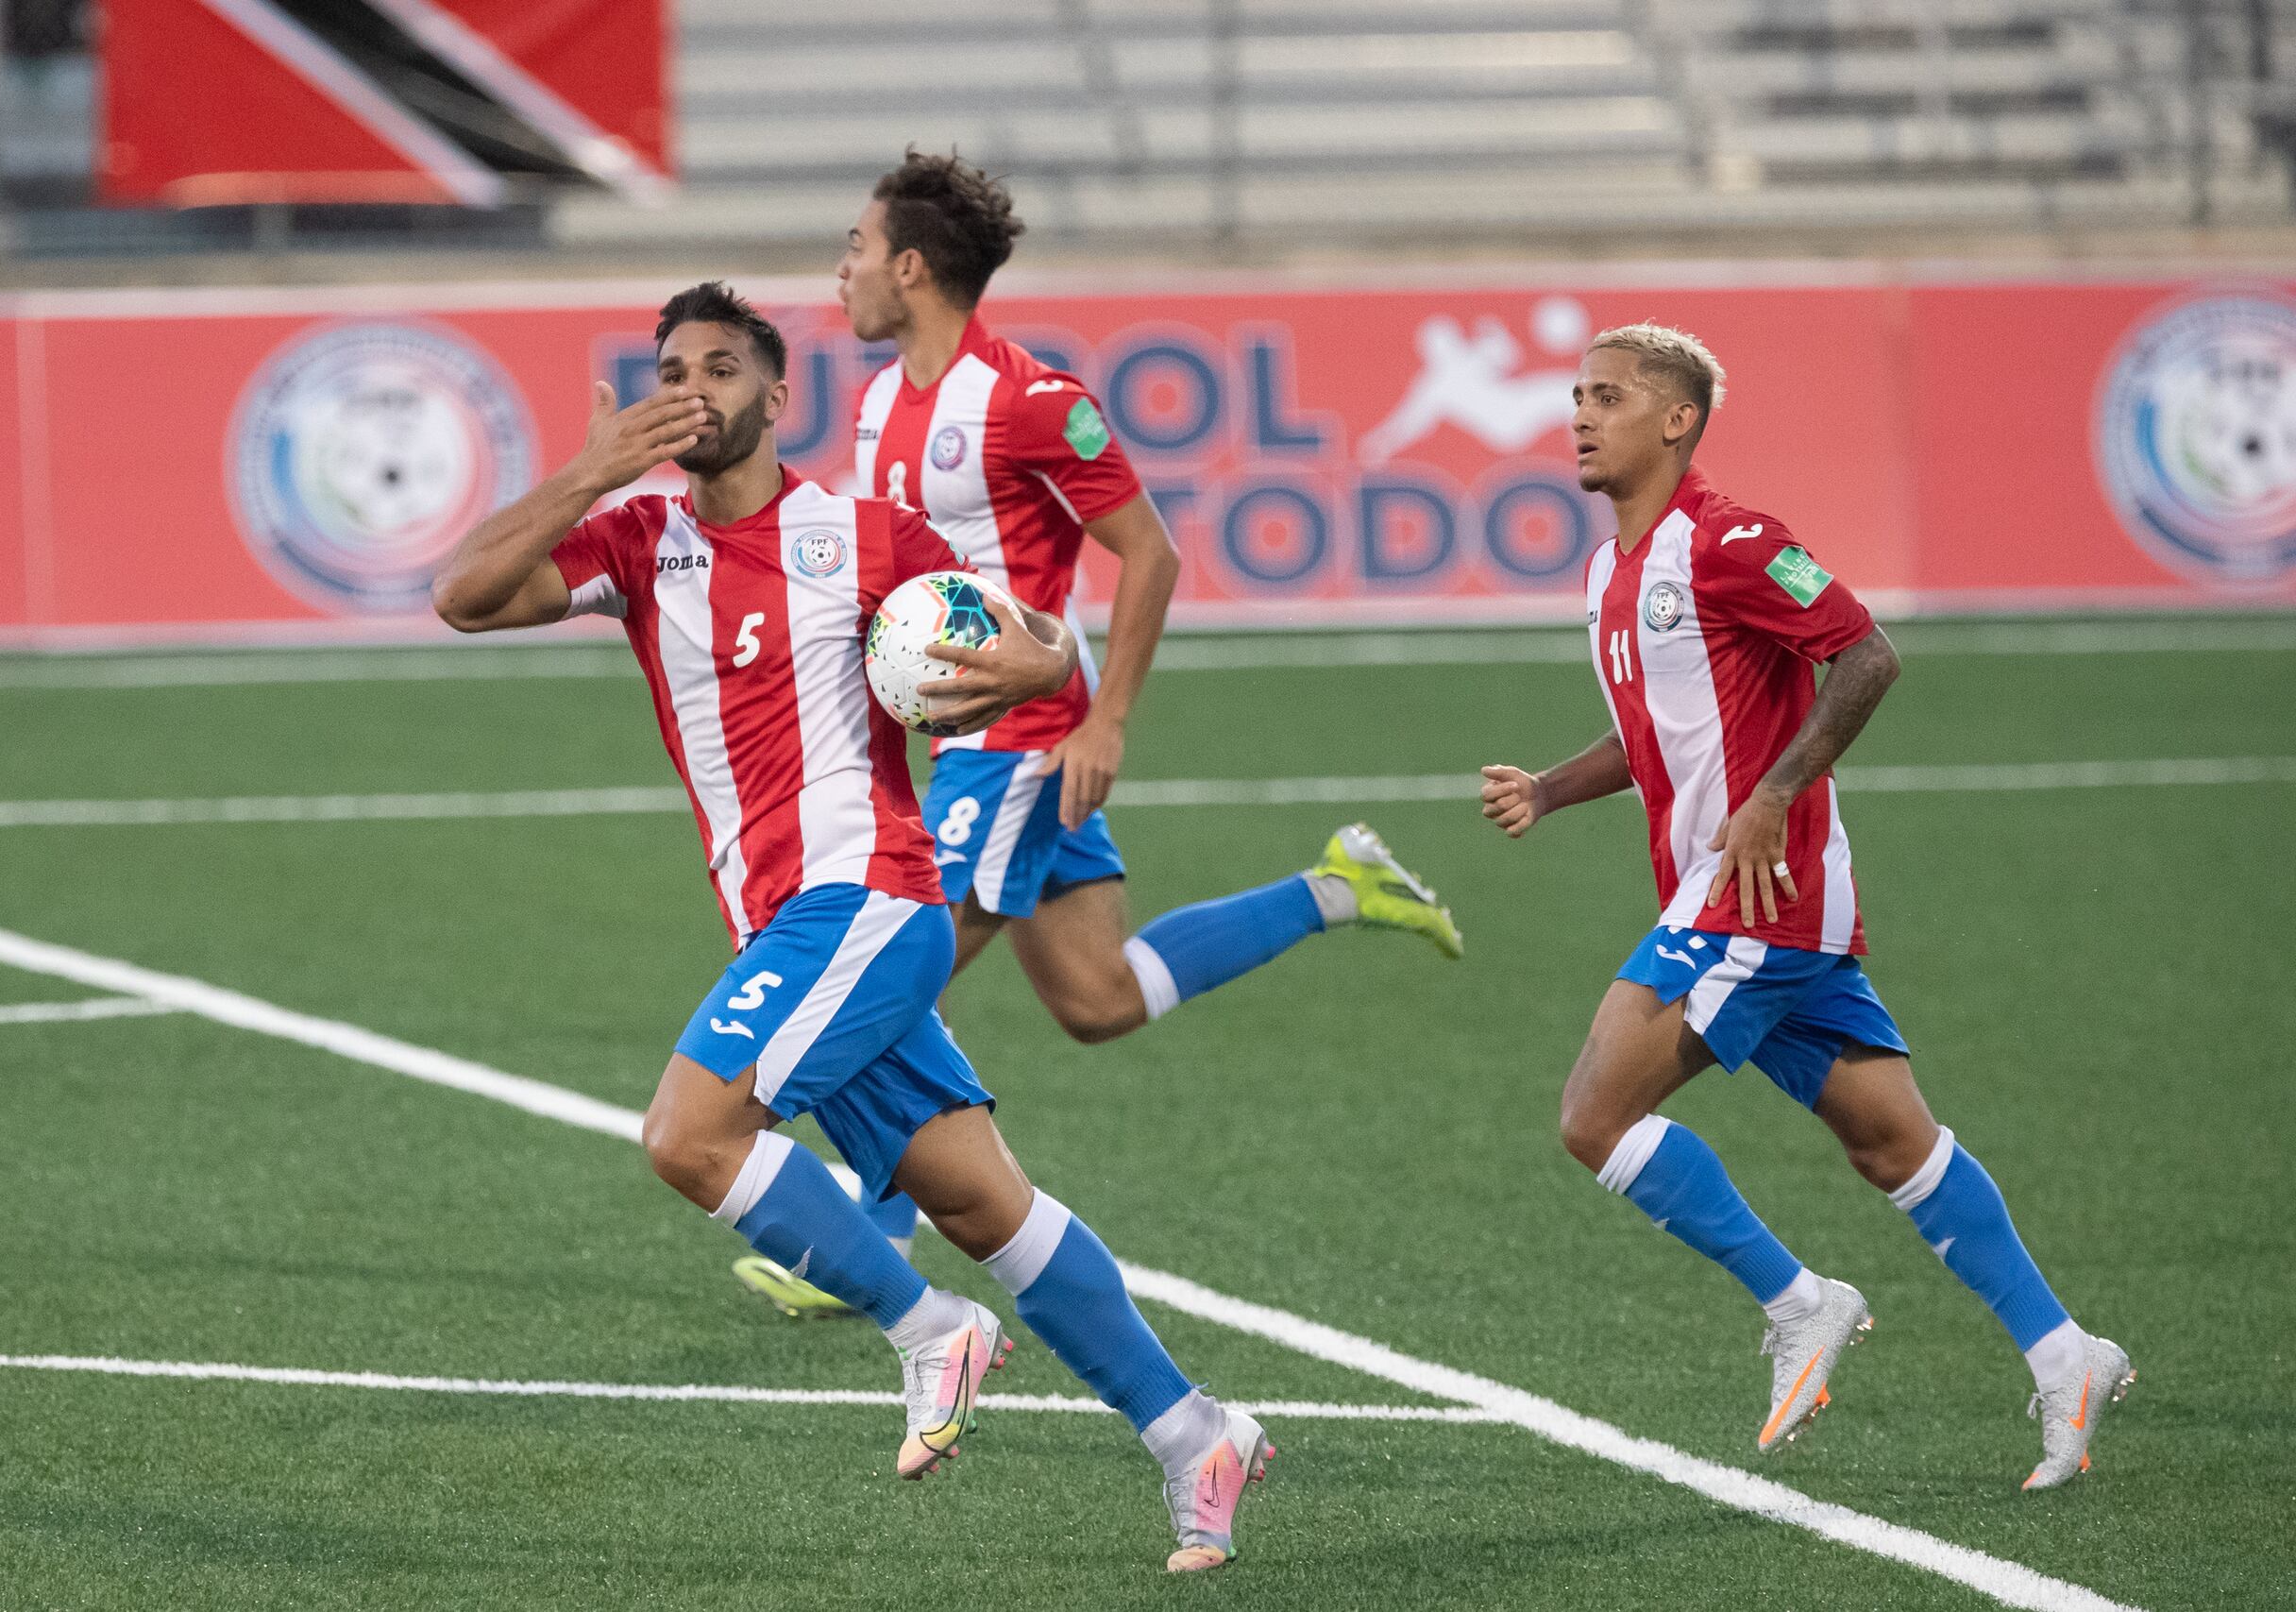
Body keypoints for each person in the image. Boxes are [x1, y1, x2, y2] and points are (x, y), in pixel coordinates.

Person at [430, 280, 1271, 1569]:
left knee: (688, 1132)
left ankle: (928, 1326)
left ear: (777, 395)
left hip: (870, 894)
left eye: (721, 366)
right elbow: (464, 593)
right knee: (991, 1205)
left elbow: (1040, 640)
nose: (690, 388)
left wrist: (1043, 667)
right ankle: (1192, 1430)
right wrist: (589, 469)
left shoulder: (866, 536)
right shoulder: (641, 542)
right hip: (788, 923)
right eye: (670, 368)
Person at [726, 148, 1464, 1318]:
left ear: (910, 267)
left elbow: (1148, 552)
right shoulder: (876, 406)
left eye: (857, 250)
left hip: (1027, 736)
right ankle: (1336, 887)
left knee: (897, 964)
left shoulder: (1029, 400)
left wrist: (1105, 719)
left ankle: (874, 1227)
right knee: (1099, 999)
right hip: (957, 744)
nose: (841, 272)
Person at [1477, 321, 2132, 1490]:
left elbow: (1866, 653)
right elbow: (1657, 738)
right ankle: (2065, 1355)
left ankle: (1803, 1303)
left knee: (1592, 1116)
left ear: (1676, 420)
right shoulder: (1608, 572)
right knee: (1892, 1145)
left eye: (1609, 398)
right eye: (1577, 396)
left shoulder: (1731, 539)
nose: (1579, 415)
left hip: (1757, 899)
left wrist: (1779, 791)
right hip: (1735, 900)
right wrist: (1551, 786)